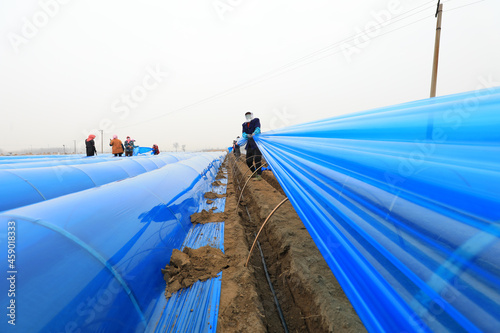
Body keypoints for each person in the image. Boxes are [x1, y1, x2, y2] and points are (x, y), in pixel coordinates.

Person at [242, 111, 262, 180]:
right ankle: (254, 172)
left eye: (249, 115)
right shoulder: (244, 124)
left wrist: (254, 133)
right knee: (248, 161)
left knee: (257, 159)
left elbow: (258, 129)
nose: (248, 117)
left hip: (257, 143)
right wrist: (246, 135)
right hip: (250, 144)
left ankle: (259, 175)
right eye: (246, 116)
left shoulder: (256, 120)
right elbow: (243, 133)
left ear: (252, 115)